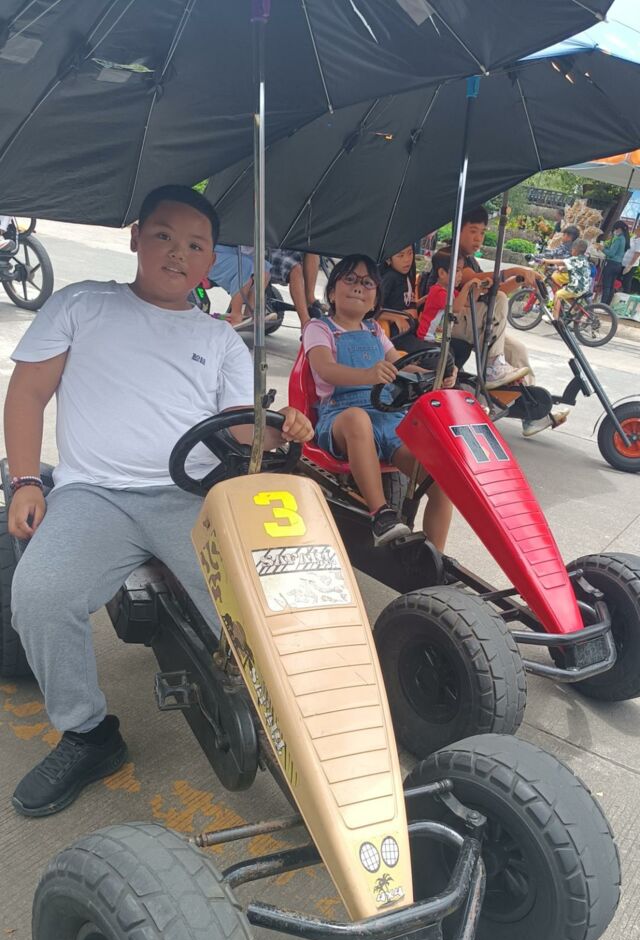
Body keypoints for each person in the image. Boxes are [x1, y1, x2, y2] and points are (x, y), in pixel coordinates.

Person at [4, 184, 313, 817]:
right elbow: (27, 394)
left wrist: (282, 428)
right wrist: (27, 481)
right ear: (136, 238)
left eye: (196, 245)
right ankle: (88, 733)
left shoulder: (222, 341)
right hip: (94, 495)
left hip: (193, 496)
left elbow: (241, 429)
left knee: (256, 615)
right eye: (165, 236)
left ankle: (300, 730)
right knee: (39, 595)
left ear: (211, 262)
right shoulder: (81, 304)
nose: (178, 253)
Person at [302, 254, 454, 549]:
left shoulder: (374, 330)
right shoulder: (320, 328)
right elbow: (325, 368)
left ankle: (435, 557)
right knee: (358, 418)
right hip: (341, 415)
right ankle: (381, 514)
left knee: (440, 479)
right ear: (332, 292)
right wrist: (367, 375)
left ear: (375, 299)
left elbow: (401, 364)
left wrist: (437, 375)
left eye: (367, 282)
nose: (358, 286)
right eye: (349, 279)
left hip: (387, 415)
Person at [420, 251, 569, 438]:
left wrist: (518, 279)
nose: (478, 239)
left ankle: (531, 410)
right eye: (474, 233)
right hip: (452, 325)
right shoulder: (453, 253)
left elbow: (483, 293)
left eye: (482, 234)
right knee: (498, 299)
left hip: (470, 319)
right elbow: (460, 300)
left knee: (517, 349)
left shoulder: (468, 261)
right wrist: (512, 271)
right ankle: (492, 370)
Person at [417, 250, 529, 387]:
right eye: (457, 271)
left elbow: (467, 303)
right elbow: (456, 307)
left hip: (439, 338)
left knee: (461, 351)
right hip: (429, 339)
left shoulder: (449, 291)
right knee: (447, 361)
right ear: (442, 273)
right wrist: (467, 286)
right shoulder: (437, 291)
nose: (460, 275)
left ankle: (452, 380)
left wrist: (478, 289)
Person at [207, 243, 271, 325]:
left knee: (263, 268)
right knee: (244, 267)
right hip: (211, 250)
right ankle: (235, 315)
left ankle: (250, 314)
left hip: (231, 247)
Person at [268, 248, 322, 326]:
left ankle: (310, 298)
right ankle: (305, 322)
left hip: (289, 247)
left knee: (313, 250)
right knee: (294, 267)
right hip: (269, 249)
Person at [542, 239, 592, 319]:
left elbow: (561, 261)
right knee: (565, 294)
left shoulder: (574, 259)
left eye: (572, 249)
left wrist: (546, 260)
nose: (571, 250)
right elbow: (575, 268)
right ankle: (574, 309)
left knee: (558, 294)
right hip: (585, 286)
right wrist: (564, 268)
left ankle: (554, 317)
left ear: (575, 250)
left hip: (576, 287)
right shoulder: (583, 259)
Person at [600, 221, 629, 305]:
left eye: (615, 229)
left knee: (606, 286)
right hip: (618, 264)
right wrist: (606, 246)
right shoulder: (624, 238)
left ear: (619, 229)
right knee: (611, 285)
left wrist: (602, 249)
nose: (614, 231)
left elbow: (611, 253)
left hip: (611, 264)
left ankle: (602, 305)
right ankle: (607, 304)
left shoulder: (618, 239)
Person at [622, 229, 640, 294]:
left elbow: (637, 254)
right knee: (620, 279)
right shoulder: (633, 237)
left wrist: (629, 265)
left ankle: (625, 295)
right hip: (624, 262)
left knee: (627, 281)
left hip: (631, 265)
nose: (637, 230)